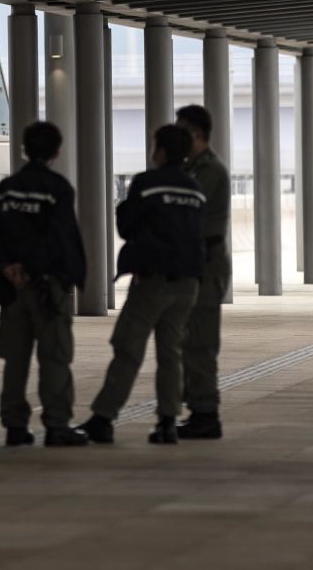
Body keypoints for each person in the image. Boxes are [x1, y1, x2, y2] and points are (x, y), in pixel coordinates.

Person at [78, 125, 206, 445]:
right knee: (171, 352)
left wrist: (123, 207)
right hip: (188, 282)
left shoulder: (147, 183)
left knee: (128, 348)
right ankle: (167, 422)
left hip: (154, 281)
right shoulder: (195, 188)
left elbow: (126, 226)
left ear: (160, 151)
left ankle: (104, 418)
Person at [0, 121, 89, 447]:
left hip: (12, 290)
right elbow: (62, 239)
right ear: (57, 151)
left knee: (15, 360)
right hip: (46, 288)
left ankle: (15, 426)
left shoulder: (5, 190)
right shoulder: (58, 189)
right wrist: (56, 274)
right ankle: (57, 425)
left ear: (25, 149)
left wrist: (6, 267)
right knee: (54, 358)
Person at [175, 105, 231, 440]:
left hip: (206, 268)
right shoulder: (192, 167)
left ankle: (206, 414)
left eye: (181, 130)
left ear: (196, 133)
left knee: (201, 344)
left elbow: (192, 215)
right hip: (195, 265)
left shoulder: (209, 170)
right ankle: (198, 409)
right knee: (190, 342)